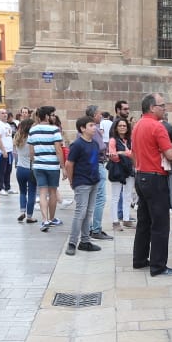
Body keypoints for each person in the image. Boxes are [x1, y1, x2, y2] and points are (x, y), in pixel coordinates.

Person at [132, 93, 172, 276]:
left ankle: (140, 259)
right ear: (152, 107)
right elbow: (170, 155)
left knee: (144, 221)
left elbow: (134, 152)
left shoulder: (137, 125)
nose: (164, 108)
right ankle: (158, 266)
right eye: (162, 105)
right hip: (155, 178)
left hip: (141, 175)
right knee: (160, 224)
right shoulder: (157, 127)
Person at [64, 116, 103, 256]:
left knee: (88, 212)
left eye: (94, 125)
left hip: (94, 181)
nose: (94, 127)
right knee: (80, 213)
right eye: (91, 125)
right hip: (82, 182)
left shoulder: (94, 144)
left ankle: (85, 241)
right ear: (82, 128)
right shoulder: (77, 145)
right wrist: (71, 181)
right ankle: (72, 243)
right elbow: (69, 164)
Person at [29, 105, 65, 231]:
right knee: (53, 192)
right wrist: (63, 167)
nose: (53, 117)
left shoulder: (32, 130)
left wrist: (36, 162)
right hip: (52, 166)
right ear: (46, 116)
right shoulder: (54, 130)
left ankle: (44, 220)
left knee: (43, 192)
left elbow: (31, 151)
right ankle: (52, 218)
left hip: (38, 165)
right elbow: (58, 150)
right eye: (52, 115)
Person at [84, 104, 113, 242]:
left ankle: (90, 227)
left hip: (89, 165)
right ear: (93, 115)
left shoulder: (83, 127)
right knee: (100, 198)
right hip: (97, 163)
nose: (101, 116)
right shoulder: (93, 129)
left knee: (92, 198)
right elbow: (100, 146)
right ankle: (96, 229)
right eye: (99, 114)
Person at [107, 116, 135, 231]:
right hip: (118, 170)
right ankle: (115, 221)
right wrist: (127, 154)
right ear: (116, 128)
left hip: (129, 169)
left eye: (124, 125)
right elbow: (113, 156)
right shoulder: (113, 140)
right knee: (115, 196)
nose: (122, 127)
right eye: (120, 126)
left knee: (128, 196)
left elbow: (134, 154)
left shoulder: (130, 140)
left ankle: (126, 218)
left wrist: (123, 152)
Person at [13, 119, 38, 223]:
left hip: (20, 168)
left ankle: (22, 211)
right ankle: (29, 216)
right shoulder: (32, 138)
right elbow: (34, 153)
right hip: (30, 168)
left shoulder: (17, 137)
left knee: (22, 192)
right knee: (32, 192)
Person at [0, 107, 15, 192]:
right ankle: (1, 187)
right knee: (2, 170)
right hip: (2, 152)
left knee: (8, 170)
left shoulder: (7, 125)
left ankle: (7, 187)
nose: (5, 114)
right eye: (2, 113)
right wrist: (3, 150)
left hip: (9, 151)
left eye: (5, 113)